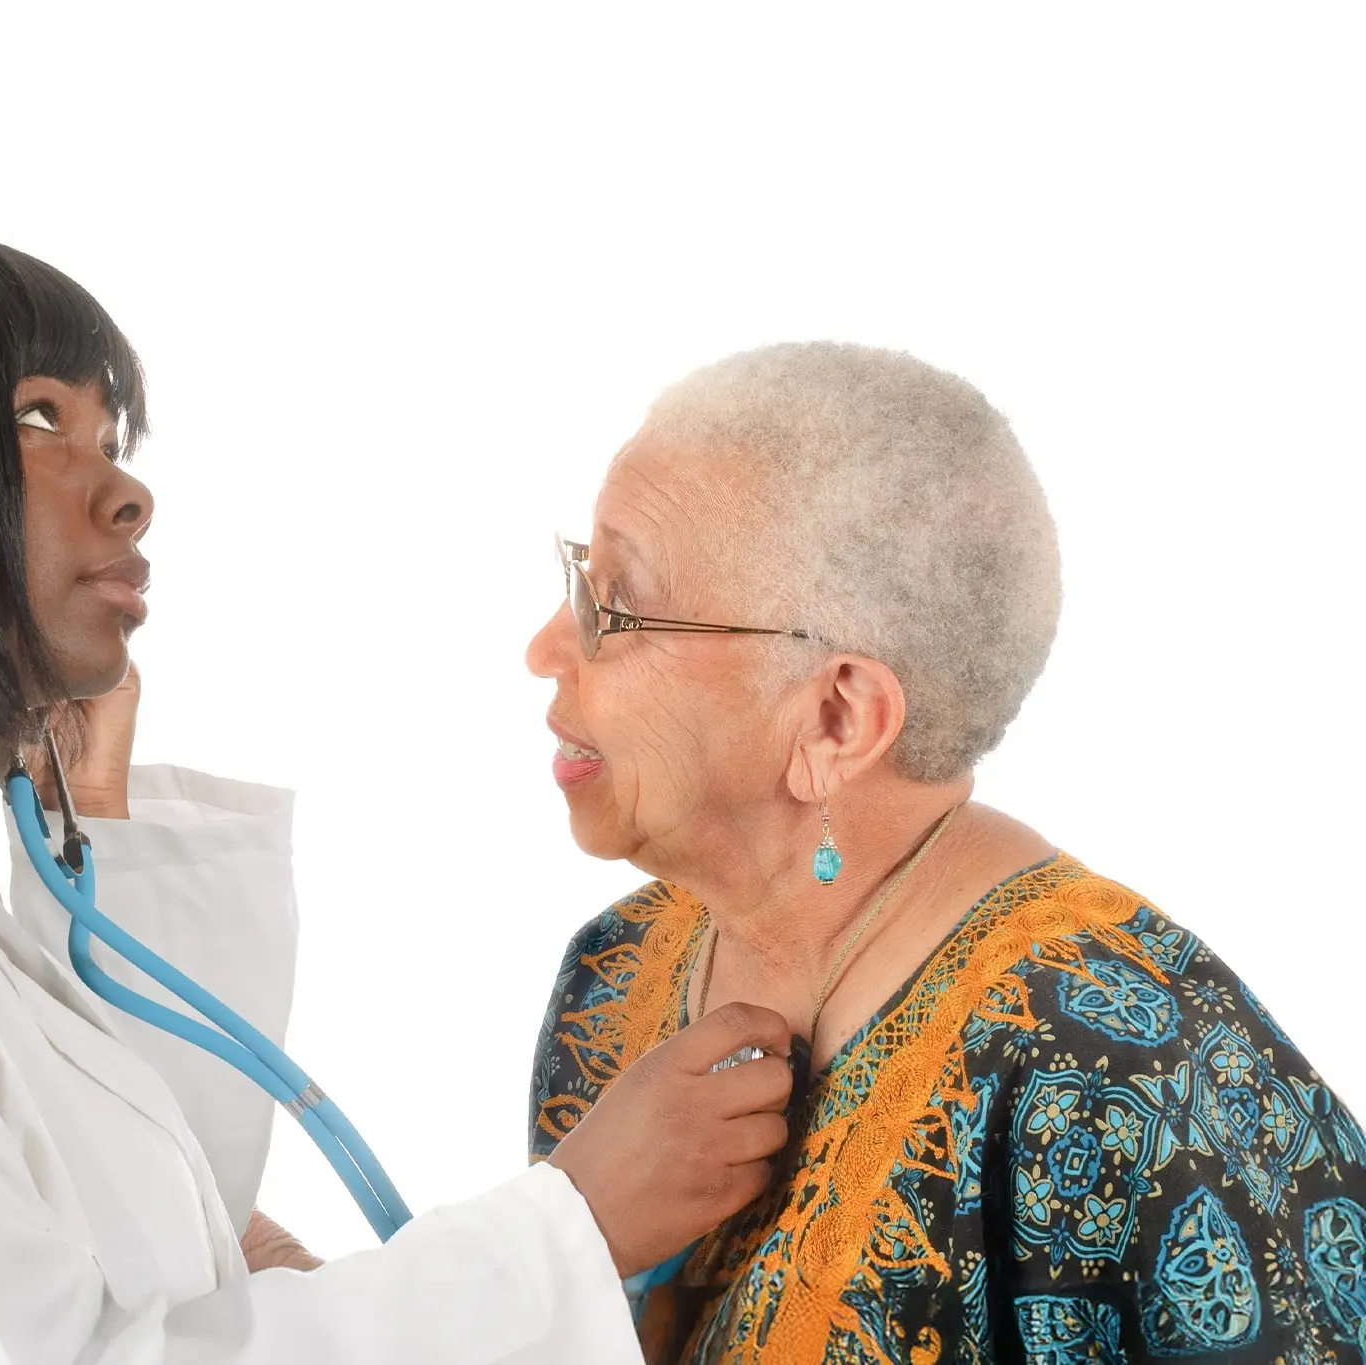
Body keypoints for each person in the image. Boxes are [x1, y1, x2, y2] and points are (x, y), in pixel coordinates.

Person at [0, 220, 797, 1365]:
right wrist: (567, 1230)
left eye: (108, 435)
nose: (127, 491)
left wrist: (100, 846)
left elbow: (115, 1257)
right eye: (36, 421)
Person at [524, 342, 1366, 1363]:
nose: (543, 652)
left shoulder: (1125, 1070)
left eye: (610, 610)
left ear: (836, 718)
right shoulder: (613, 979)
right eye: (580, 579)